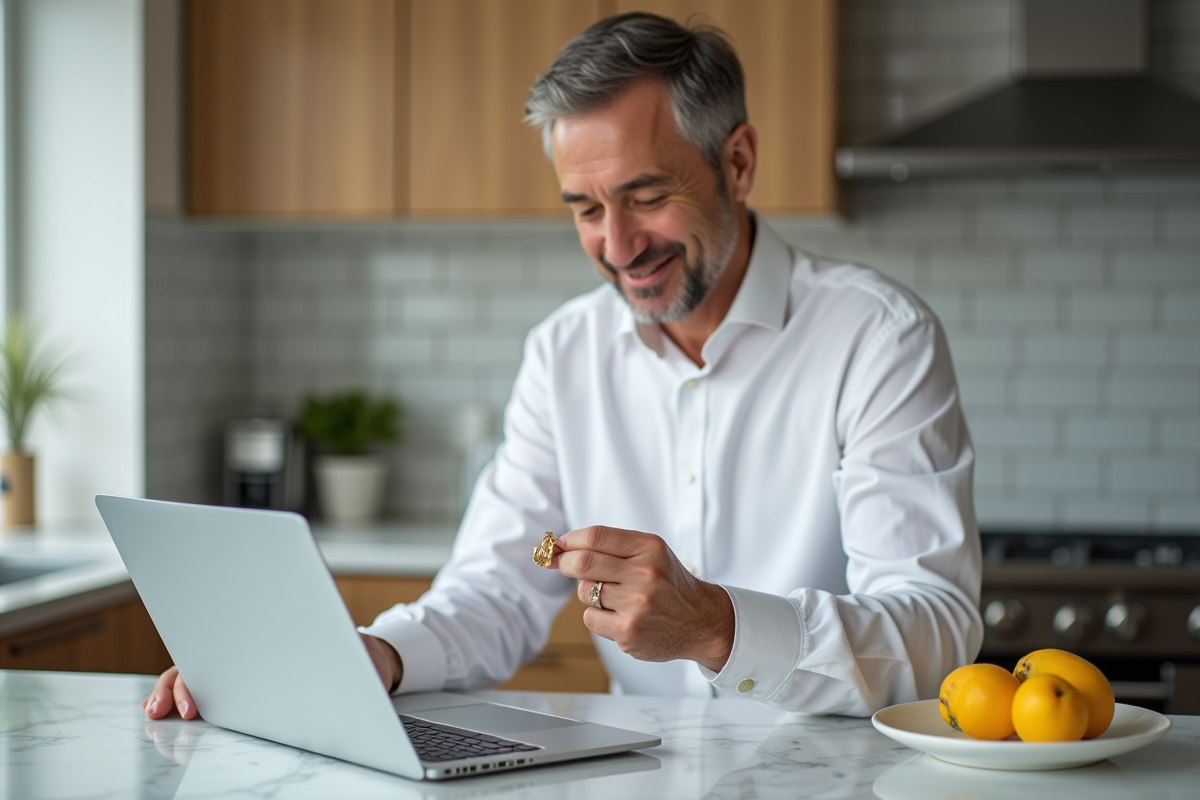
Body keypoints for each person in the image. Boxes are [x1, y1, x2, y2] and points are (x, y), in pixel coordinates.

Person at [144, 12, 982, 722]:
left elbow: (936, 633)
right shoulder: (564, 353)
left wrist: (716, 627)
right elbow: (495, 590)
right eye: (585, 207)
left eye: (646, 196)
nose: (616, 247)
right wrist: (375, 656)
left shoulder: (878, 338)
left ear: (738, 162)